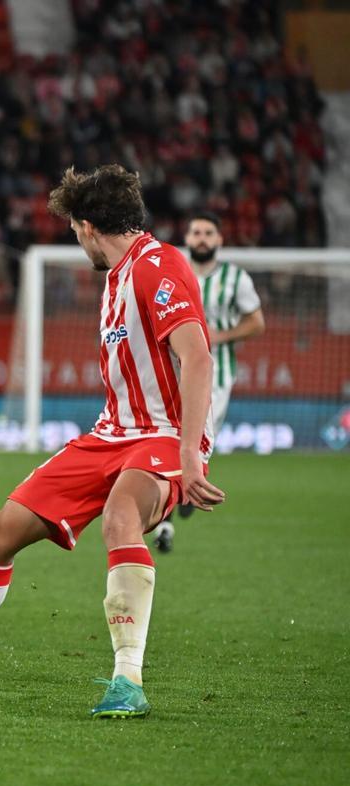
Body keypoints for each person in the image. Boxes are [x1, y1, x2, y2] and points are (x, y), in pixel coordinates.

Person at [0, 165, 225, 717]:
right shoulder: (115, 279)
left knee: (120, 517)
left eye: (73, 231)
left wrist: (190, 456)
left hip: (164, 437)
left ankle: (128, 681)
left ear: (86, 225)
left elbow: (197, 357)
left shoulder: (158, 266)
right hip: (109, 436)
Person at [150, 211, 264, 552]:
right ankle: (166, 522)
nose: (201, 238)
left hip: (217, 377)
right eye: (196, 232)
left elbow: (256, 322)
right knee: (172, 440)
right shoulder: (169, 272)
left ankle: (185, 491)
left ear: (219, 240)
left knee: (196, 443)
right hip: (171, 373)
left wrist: (222, 335)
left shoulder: (235, 278)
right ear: (187, 238)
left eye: (208, 233)